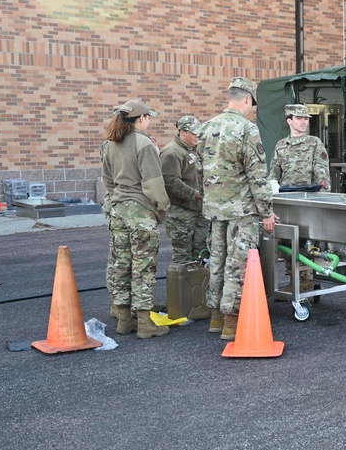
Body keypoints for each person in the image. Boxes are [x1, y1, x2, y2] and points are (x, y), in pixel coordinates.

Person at [196, 77, 278, 341]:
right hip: (242, 211)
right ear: (246, 99)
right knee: (237, 265)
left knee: (217, 261)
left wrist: (210, 200)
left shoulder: (205, 128)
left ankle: (215, 318)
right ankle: (231, 322)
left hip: (215, 210)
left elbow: (199, 172)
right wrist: (266, 212)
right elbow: (257, 177)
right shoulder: (247, 129)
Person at [100, 99, 171, 339]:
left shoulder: (111, 143)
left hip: (118, 210)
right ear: (141, 118)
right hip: (139, 211)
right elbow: (153, 184)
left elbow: (107, 181)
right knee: (143, 268)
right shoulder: (143, 144)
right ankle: (144, 323)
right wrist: (162, 208)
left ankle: (123, 320)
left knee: (121, 265)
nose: (149, 121)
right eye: (148, 117)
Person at [269, 103, 331, 292]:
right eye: (299, 118)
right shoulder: (281, 145)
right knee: (286, 242)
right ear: (289, 121)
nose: (303, 122)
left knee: (306, 241)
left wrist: (323, 200)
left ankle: (305, 280)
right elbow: (273, 174)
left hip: (308, 200)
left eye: (305, 119)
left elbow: (322, 174)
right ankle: (294, 280)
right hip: (287, 201)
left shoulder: (314, 143)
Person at [160, 115, 209, 264]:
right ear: (182, 132)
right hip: (181, 213)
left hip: (199, 209)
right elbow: (170, 182)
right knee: (183, 255)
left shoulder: (195, 149)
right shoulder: (172, 152)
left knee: (201, 251)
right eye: (194, 133)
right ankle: (183, 287)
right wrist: (194, 193)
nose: (197, 136)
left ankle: (198, 286)